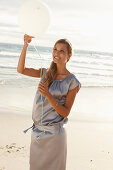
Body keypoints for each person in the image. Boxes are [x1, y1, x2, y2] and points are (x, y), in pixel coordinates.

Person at [17, 34, 81, 170]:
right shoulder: (46, 73)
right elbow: (20, 70)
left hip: (55, 135)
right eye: (55, 49)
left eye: (61, 51)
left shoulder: (72, 82)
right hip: (37, 133)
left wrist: (48, 95)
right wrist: (25, 45)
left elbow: (65, 112)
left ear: (69, 56)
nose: (56, 53)